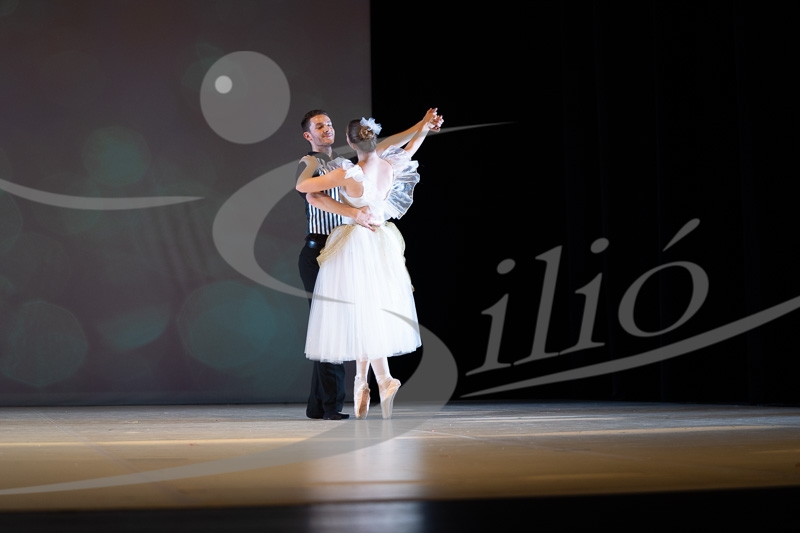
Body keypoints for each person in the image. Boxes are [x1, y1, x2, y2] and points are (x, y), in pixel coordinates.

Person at [297, 108, 441, 420]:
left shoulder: (349, 173)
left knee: (360, 312)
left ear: (350, 142)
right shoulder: (390, 165)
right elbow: (409, 147)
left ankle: (380, 380)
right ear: (375, 140)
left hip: (355, 245)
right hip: (382, 243)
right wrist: (423, 127)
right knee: (369, 310)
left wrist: (309, 170)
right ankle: (362, 382)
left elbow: (305, 189)